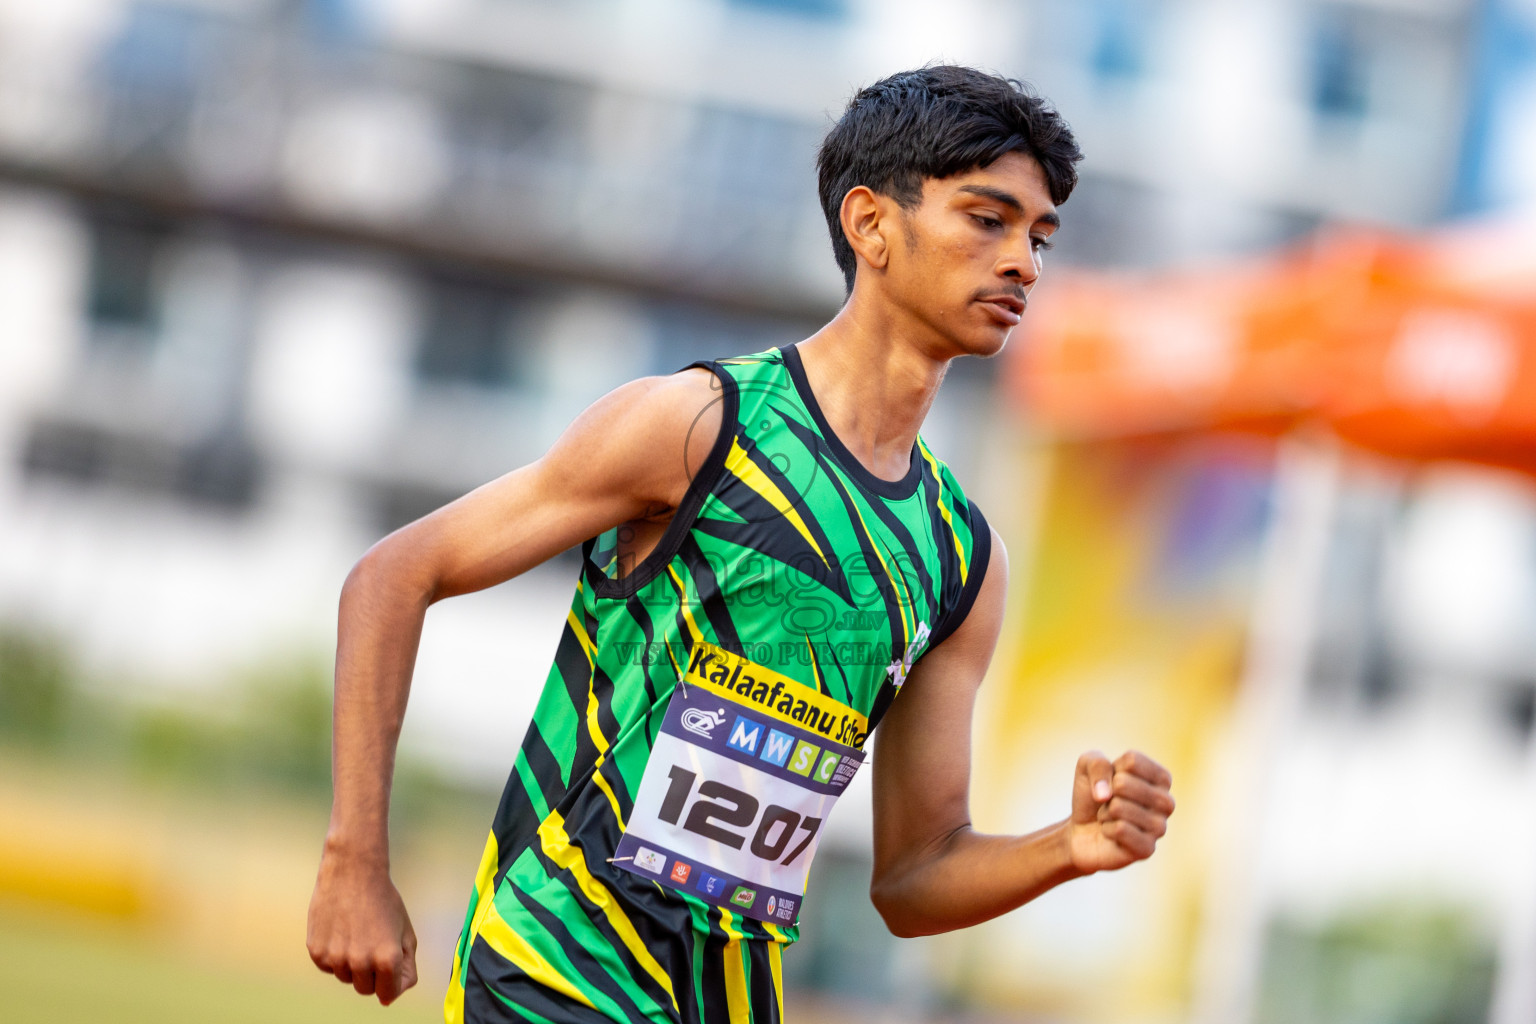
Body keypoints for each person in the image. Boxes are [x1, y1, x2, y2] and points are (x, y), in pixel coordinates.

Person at [306, 65, 1175, 1023]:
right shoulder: (698, 426)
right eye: (988, 219)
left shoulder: (962, 558)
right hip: (554, 969)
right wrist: (355, 860)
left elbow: (915, 875)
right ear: (870, 224)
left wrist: (1067, 846)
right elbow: (393, 574)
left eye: (1039, 237)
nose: (1025, 264)